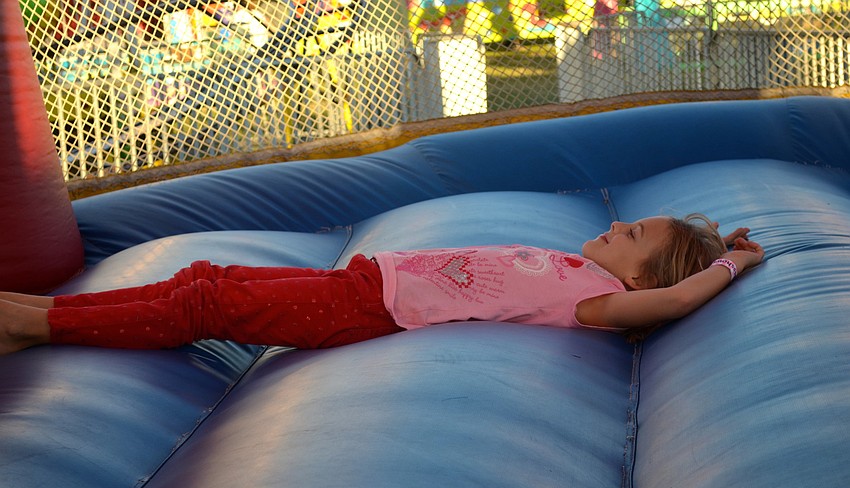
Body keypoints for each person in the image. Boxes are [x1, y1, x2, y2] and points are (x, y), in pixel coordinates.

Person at [0, 214, 764, 355]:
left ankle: (35, 326)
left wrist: (734, 264)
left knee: (208, 306)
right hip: (361, 278)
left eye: (634, 236)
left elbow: (674, 299)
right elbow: (669, 275)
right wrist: (714, 243)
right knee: (209, 276)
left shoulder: (595, 301)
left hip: (365, 308)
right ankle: (48, 310)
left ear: (637, 277)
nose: (620, 226)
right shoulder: (576, 267)